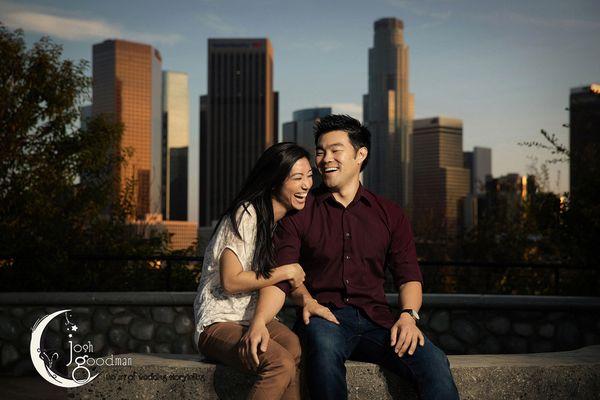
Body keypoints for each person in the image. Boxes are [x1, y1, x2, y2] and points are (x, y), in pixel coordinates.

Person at [242, 115, 460, 400]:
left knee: (433, 361)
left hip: (378, 322)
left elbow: (409, 275)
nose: (325, 159)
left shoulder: (389, 213)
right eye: (320, 151)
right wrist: (269, 317)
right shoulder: (299, 213)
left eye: (335, 150)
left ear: (360, 155)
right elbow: (283, 275)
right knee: (323, 352)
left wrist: (408, 316)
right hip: (323, 318)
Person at [193, 142, 314, 400]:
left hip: (252, 318)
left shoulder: (280, 225)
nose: (306, 185)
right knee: (280, 363)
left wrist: (306, 297)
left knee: (294, 348)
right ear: (274, 181)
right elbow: (231, 281)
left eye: (309, 176)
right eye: (297, 178)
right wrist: (286, 271)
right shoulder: (246, 214)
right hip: (219, 322)